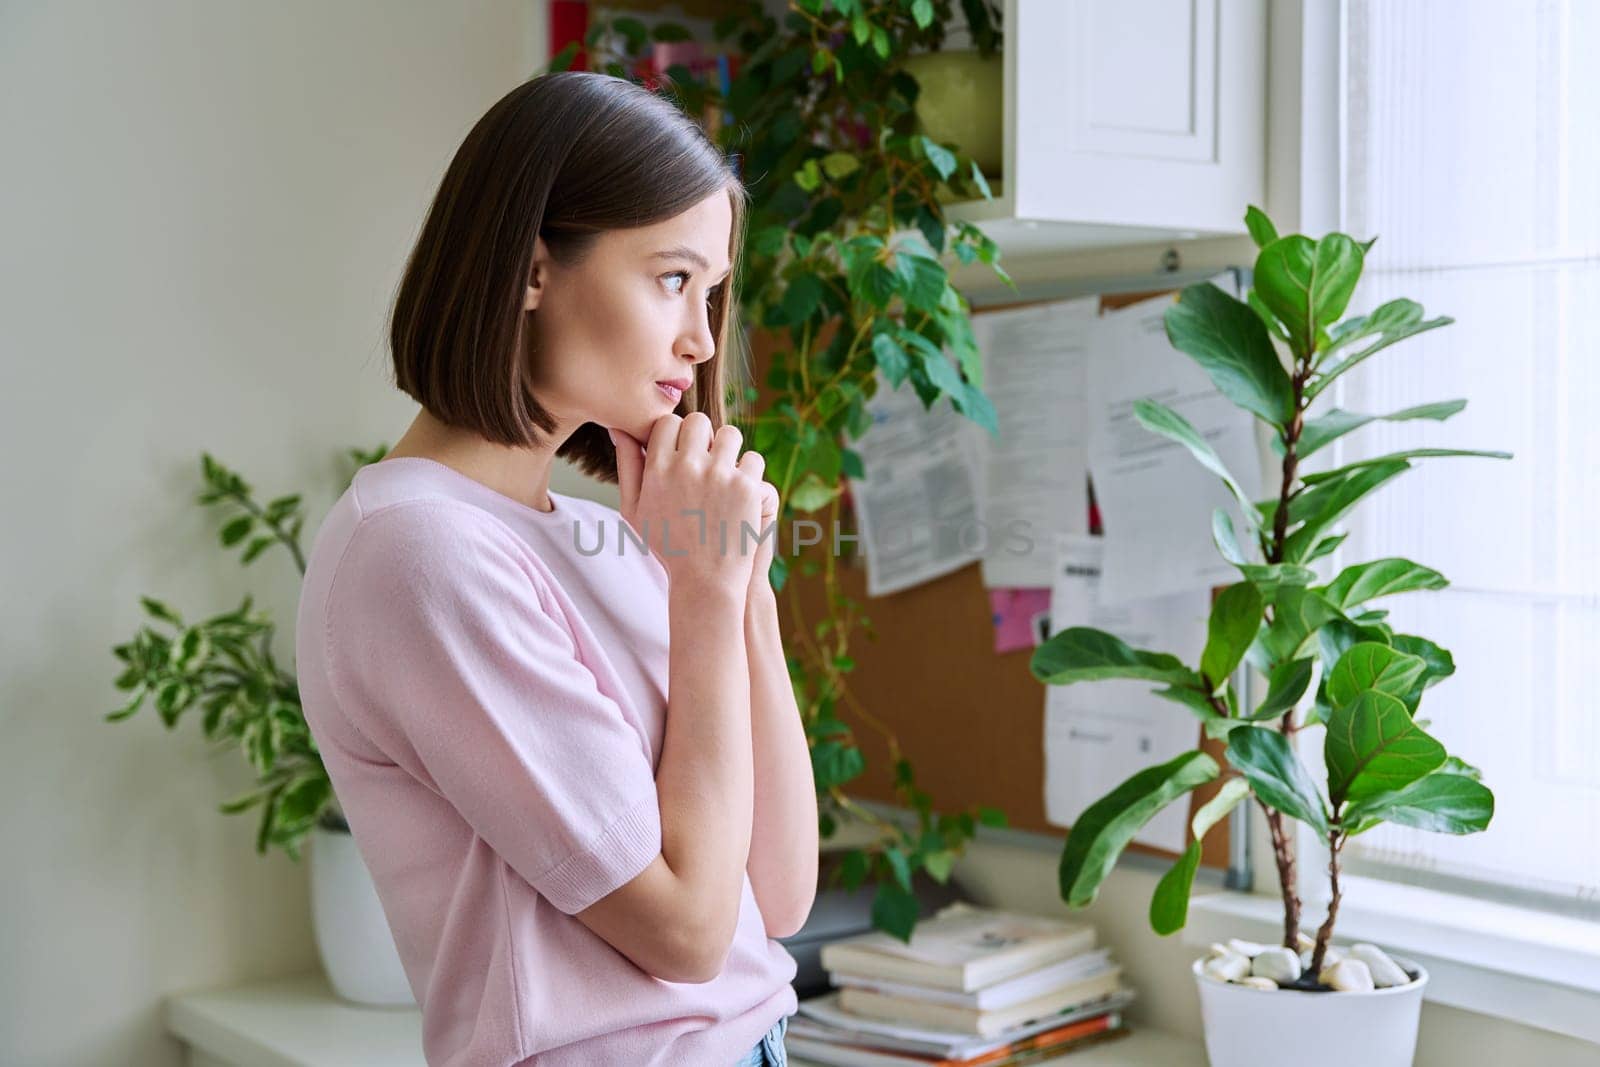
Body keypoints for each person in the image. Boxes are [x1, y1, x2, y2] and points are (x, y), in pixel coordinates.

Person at [294, 70, 816, 1066]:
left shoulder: (612, 539)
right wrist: (704, 599)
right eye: (671, 278)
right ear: (533, 270)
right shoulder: (420, 551)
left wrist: (740, 588)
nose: (701, 338)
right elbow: (686, 932)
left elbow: (778, 893)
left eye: (711, 292)